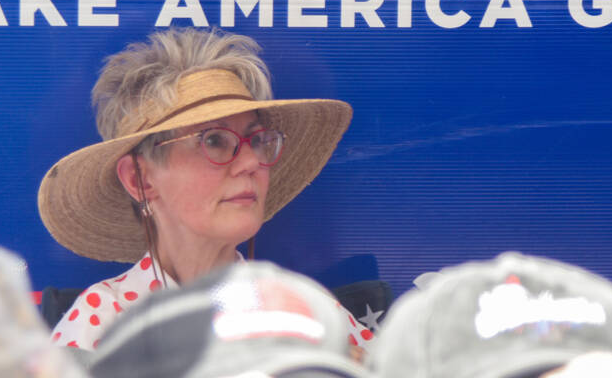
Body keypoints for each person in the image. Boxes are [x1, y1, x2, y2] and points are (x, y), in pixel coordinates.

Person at [37, 27, 367, 351]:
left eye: (256, 140)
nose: (251, 161)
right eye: (213, 141)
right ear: (140, 180)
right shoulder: (103, 321)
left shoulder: (307, 312)